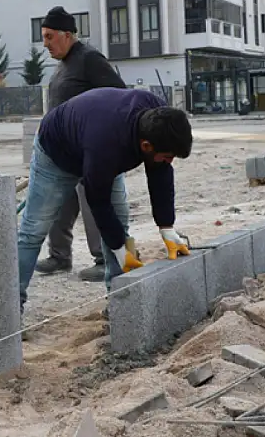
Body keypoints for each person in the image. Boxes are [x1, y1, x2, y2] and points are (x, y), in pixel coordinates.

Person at [18, 87, 193, 314]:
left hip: (95, 142)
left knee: (120, 222)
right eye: (168, 156)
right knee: (33, 230)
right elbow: (97, 201)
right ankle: (11, 312)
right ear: (146, 146)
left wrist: (166, 226)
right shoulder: (107, 146)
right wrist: (119, 248)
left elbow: (160, 172)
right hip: (57, 153)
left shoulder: (158, 116)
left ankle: (120, 304)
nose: (169, 162)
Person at [36, 6, 130, 284]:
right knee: (59, 203)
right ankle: (59, 256)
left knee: (94, 201)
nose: (45, 44)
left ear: (67, 35)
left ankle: (105, 259)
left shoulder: (90, 59)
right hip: (63, 152)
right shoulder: (64, 64)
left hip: (90, 151)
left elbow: (119, 96)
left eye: (50, 37)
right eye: (43, 37)